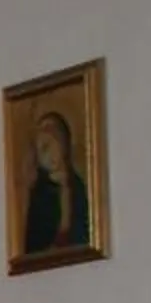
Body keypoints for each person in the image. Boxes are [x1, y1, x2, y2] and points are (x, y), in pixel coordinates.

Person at [22, 109, 93, 255]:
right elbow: (33, 244)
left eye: (47, 146)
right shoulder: (40, 194)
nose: (45, 156)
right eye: (40, 151)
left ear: (63, 143)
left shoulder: (78, 187)